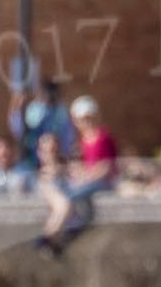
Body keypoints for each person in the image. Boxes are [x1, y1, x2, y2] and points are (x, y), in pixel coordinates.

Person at [35, 95, 116, 255]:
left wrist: (85, 177)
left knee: (68, 197)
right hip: (87, 183)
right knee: (67, 196)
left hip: (99, 183)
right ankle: (59, 235)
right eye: (81, 119)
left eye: (88, 118)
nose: (85, 122)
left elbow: (106, 168)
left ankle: (51, 236)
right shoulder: (83, 141)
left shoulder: (103, 138)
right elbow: (83, 166)